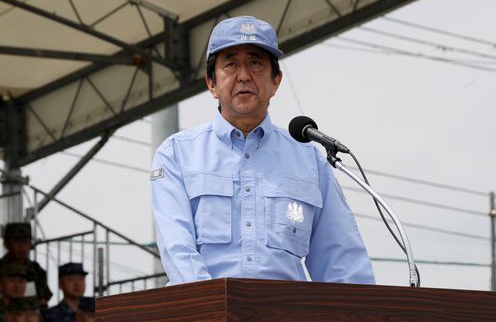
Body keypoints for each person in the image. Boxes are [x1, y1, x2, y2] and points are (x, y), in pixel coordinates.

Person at [151, 15, 375, 286]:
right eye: (231, 64)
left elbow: (343, 266)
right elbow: (179, 254)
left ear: (275, 81)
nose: (244, 75)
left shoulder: (310, 160)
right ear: (211, 83)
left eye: (256, 63)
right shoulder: (177, 155)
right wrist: (215, 309)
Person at [0, 223, 52, 308]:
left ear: (30, 244)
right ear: (6, 244)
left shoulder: (36, 269)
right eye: (16, 241)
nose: (21, 246)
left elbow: (43, 300)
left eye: (25, 241)